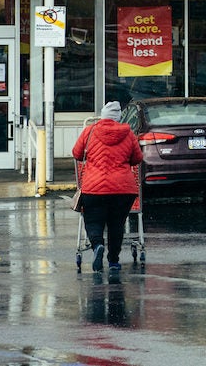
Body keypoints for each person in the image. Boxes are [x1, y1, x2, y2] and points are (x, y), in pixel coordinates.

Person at [72, 100, 142, 282]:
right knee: (116, 224)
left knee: (93, 220)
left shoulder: (89, 131)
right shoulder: (128, 134)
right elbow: (137, 158)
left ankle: (97, 246)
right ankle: (113, 261)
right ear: (118, 117)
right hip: (123, 189)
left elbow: (77, 153)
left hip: (94, 187)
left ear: (102, 116)